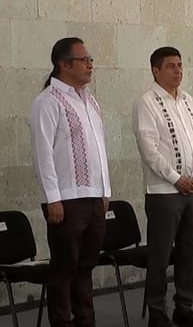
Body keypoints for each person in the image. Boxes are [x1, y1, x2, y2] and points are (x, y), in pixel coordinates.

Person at [30, 37, 110, 327]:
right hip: (65, 198)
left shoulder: (90, 101)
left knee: (86, 266)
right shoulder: (48, 102)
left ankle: (85, 321)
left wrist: (105, 190)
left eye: (90, 59)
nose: (90, 64)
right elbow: (43, 154)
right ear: (64, 64)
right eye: (84, 59)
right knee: (65, 267)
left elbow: (99, 148)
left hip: (93, 196)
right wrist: (53, 198)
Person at [133, 47, 193, 327]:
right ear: (156, 70)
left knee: (190, 250)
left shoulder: (188, 100)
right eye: (170, 66)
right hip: (165, 192)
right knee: (161, 252)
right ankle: (157, 310)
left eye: (180, 65)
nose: (178, 71)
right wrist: (175, 178)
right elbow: (149, 148)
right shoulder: (147, 102)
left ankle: (184, 306)